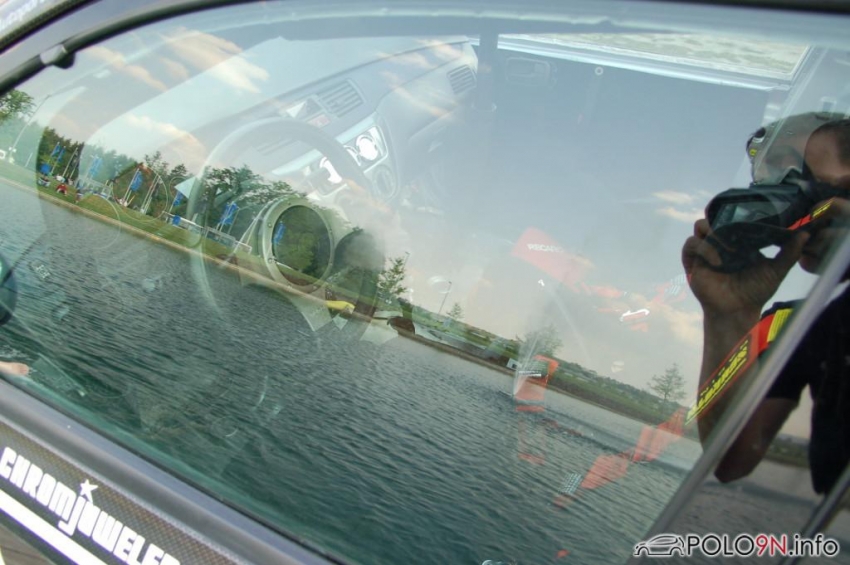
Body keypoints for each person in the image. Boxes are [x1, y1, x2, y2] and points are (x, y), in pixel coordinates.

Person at [683, 117, 850, 494]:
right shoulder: (798, 326)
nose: (781, 196)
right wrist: (729, 317)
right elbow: (729, 460)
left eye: (798, 176)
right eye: (768, 179)